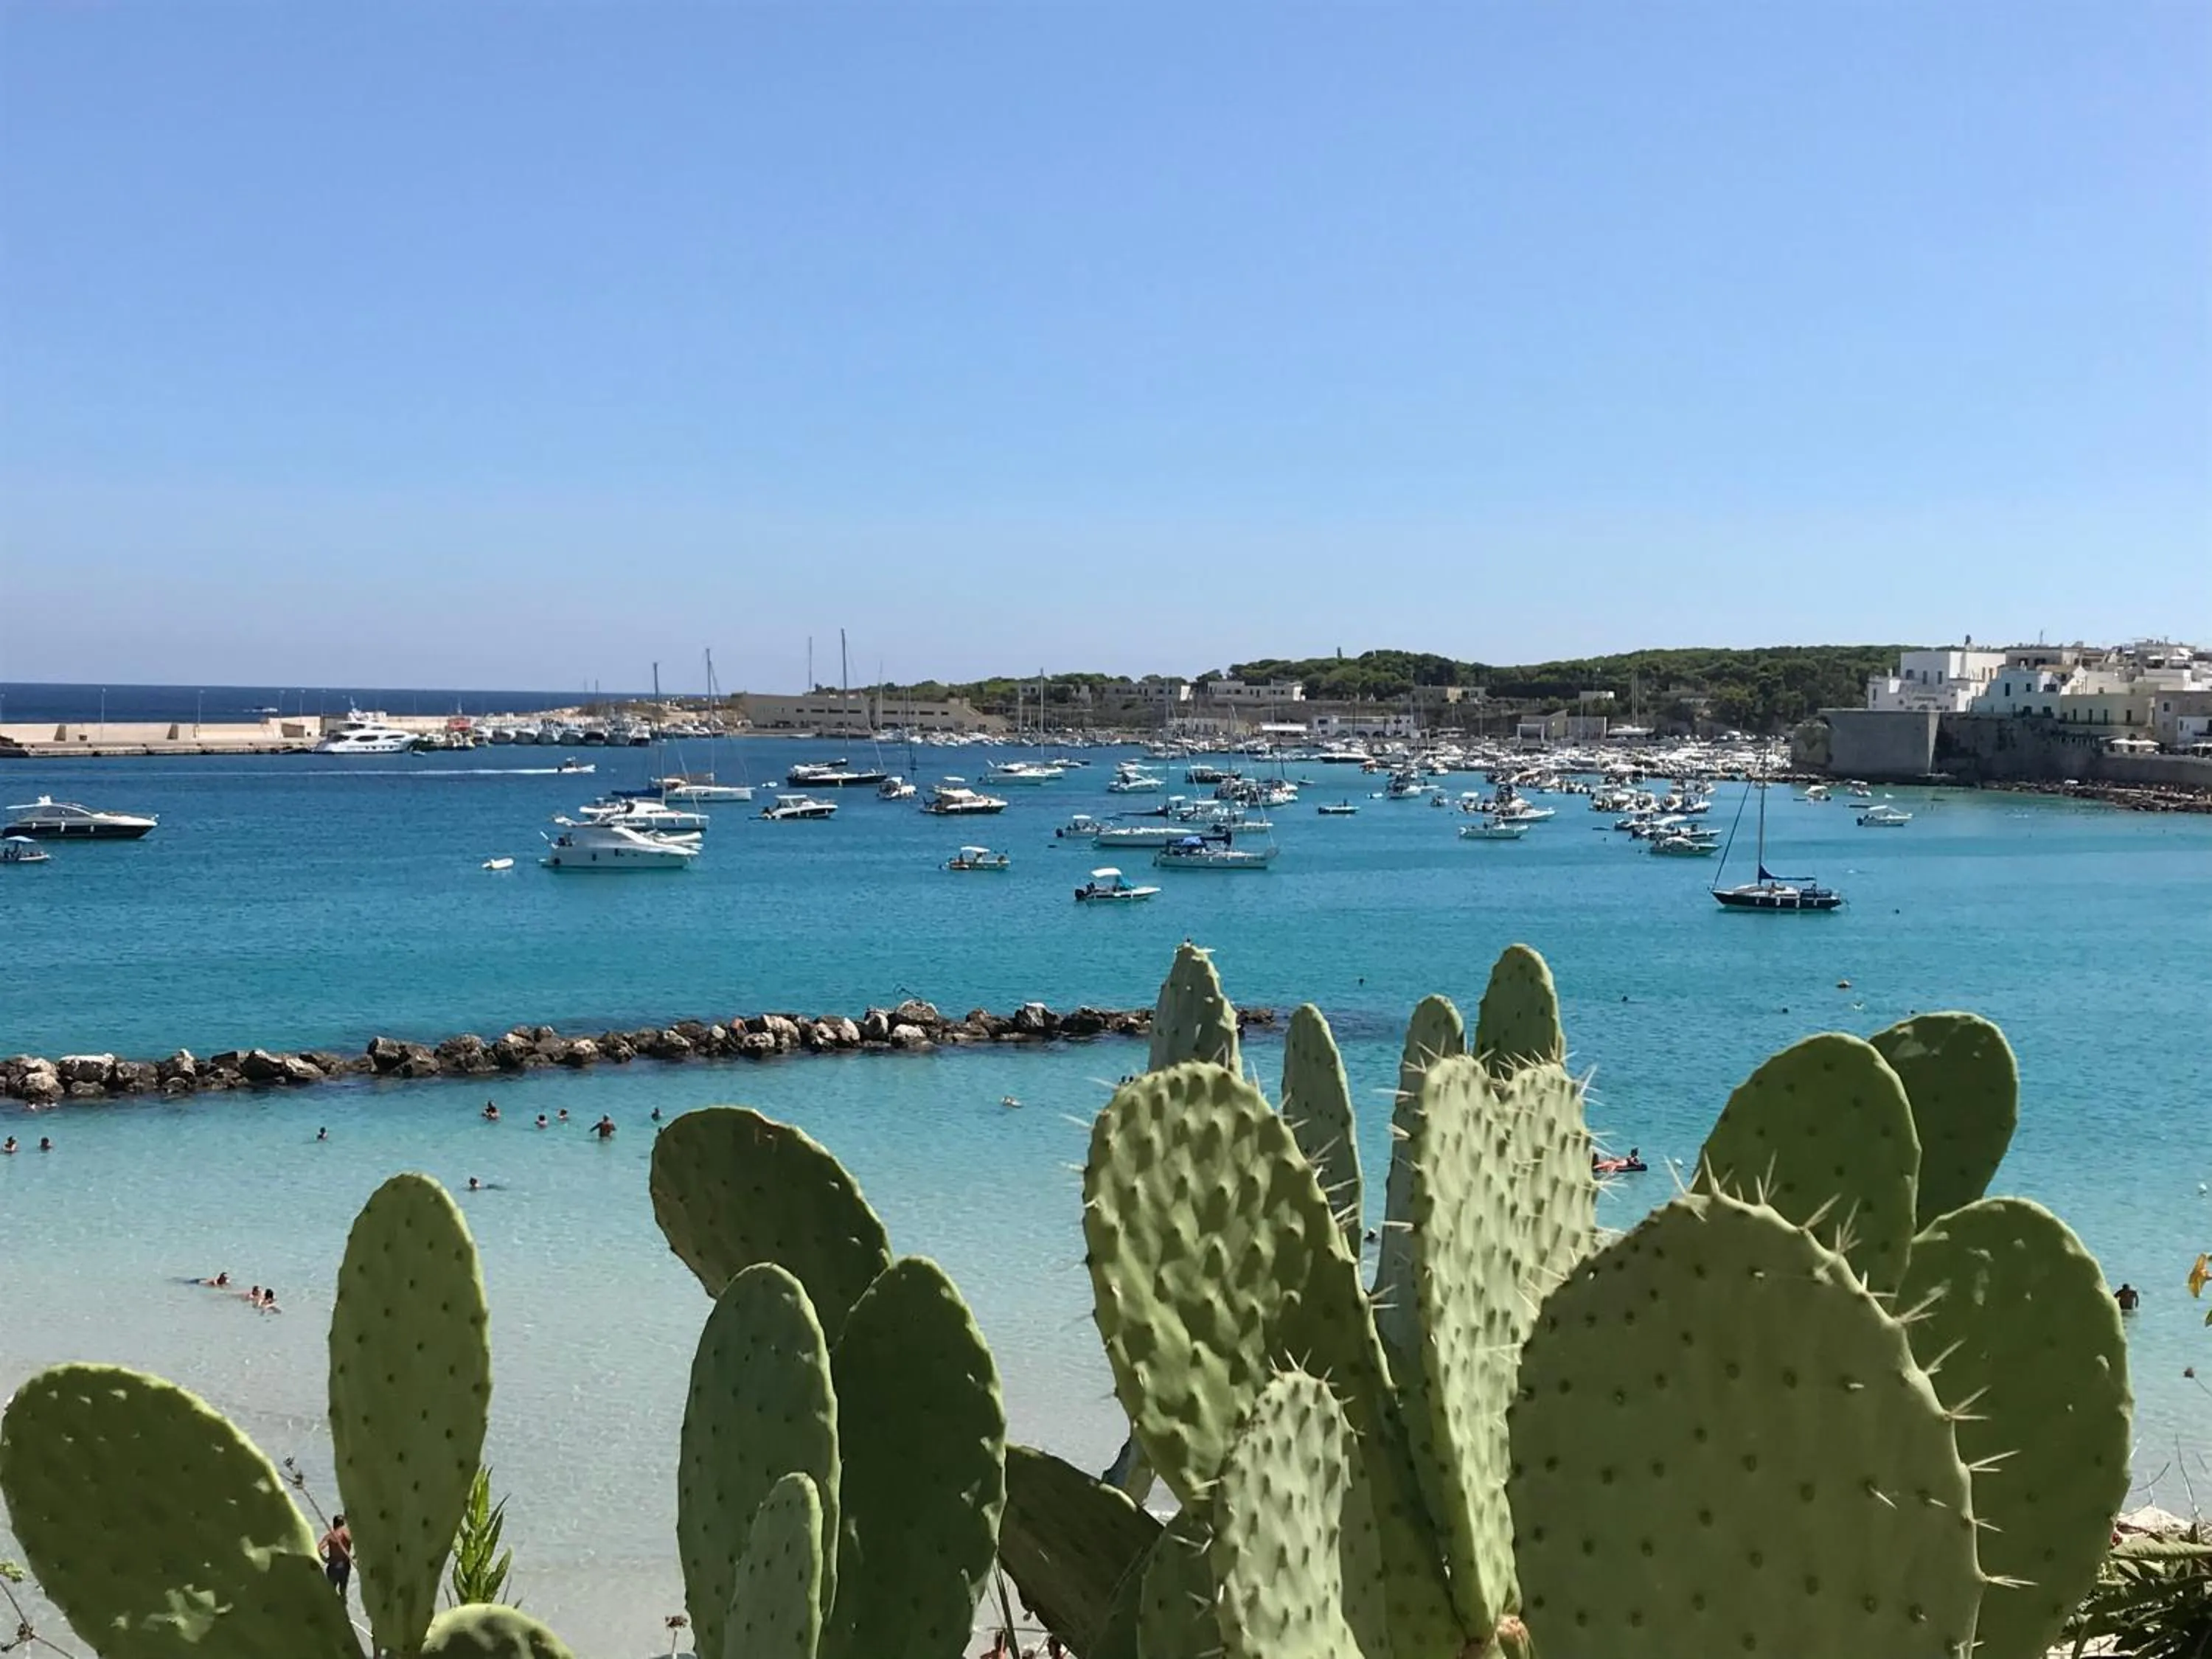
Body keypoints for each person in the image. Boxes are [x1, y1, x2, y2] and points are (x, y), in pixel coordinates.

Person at [320, 1514, 352, 1597]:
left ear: (334, 1524)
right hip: (345, 1566)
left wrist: (325, 1559)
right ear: (343, 1524)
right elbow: (361, 1545)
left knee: (331, 1592)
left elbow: (319, 1549)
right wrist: (354, 1557)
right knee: (343, 1591)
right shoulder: (348, 1534)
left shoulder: (330, 1536)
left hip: (333, 1566)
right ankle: (344, 1602)